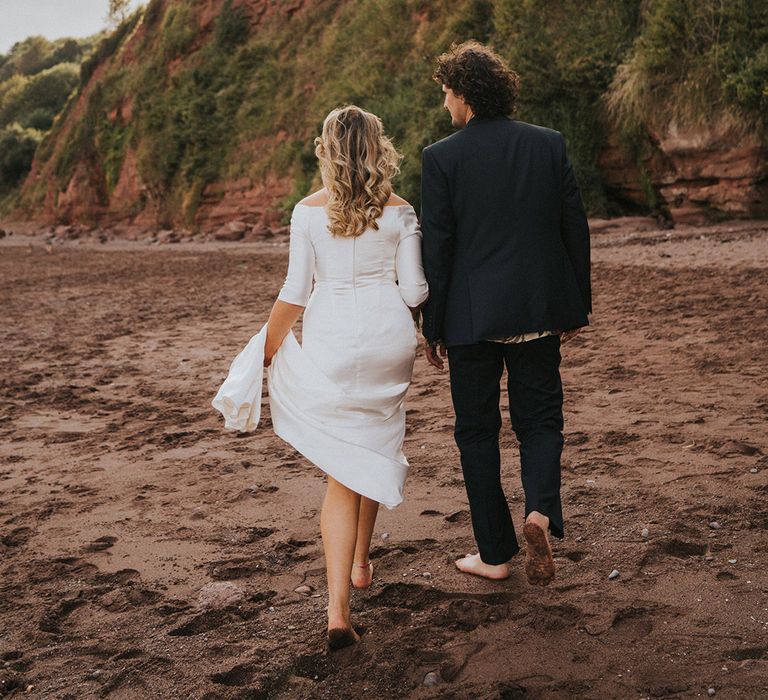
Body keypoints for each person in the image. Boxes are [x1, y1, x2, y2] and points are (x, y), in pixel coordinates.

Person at [419, 41, 592, 586]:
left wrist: (433, 325)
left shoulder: (441, 157)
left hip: (472, 322)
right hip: (538, 311)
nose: (447, 104)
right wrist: (573, 306)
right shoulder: (548, 145)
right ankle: (539, 513)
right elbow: (574, 229)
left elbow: (438, 250)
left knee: (476, 432)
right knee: (540, 422)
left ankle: (494, 555)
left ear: (465, 95)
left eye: (448, 94)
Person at [261, 106, 428, 648]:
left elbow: (294, 291)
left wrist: (266, 351)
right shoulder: (402, 213)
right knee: (376, 445)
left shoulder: (307, 213)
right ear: (378, 148)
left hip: (332, 340)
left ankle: (338, 613)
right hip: (387, 340)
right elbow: (416, 291)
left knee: (341, 471)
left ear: (326, 149)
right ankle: (361, 560)